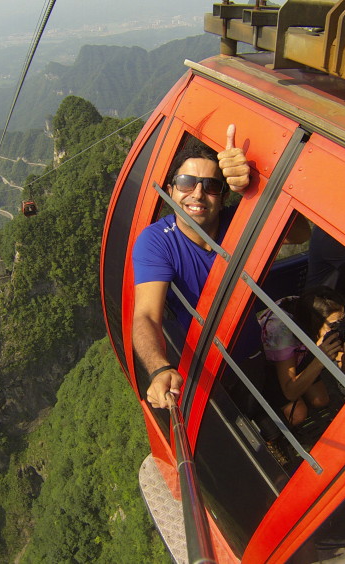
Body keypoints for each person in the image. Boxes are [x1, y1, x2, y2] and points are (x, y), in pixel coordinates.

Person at [133, 125, 253, 409]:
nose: (197, 194)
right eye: (187, 182)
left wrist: (253, 188)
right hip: (208, 369)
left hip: (251, 348)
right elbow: (146, 316)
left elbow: (299, 235)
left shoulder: (238, 223)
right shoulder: (156, 242)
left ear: (223, 196)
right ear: (171, 189)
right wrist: (159, 368)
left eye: (211, 186)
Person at [258, 287, 345, 426]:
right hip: (272, 365)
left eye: (342, 320)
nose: (340, 328)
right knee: (298, 414)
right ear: (315, 323)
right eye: (334, 325)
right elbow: (290, 392)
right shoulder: (283, 333)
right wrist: (319, 361)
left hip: (303, 353)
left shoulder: (322, 321)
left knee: (320, 400)